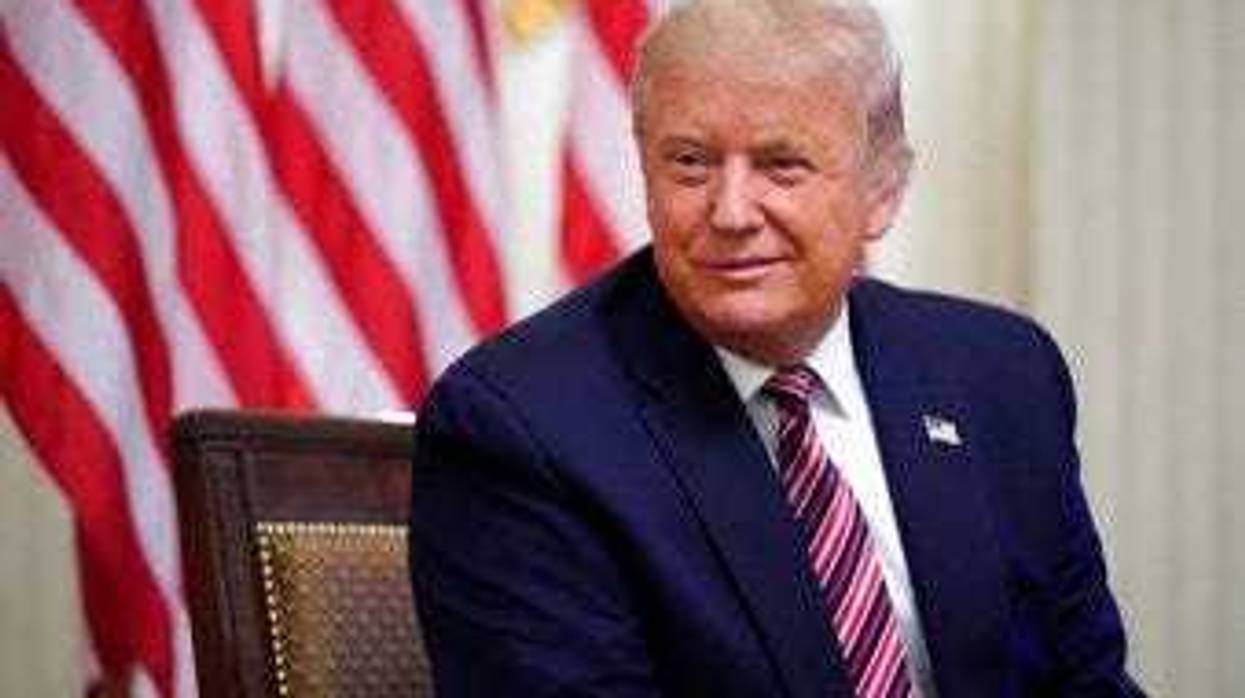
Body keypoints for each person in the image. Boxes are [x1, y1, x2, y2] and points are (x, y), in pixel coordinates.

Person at [409, 1, 1144, 696]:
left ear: (882, 190)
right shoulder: (524, 429)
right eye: (690, 164)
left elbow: (1084, 682)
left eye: (780, 165)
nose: (729, 213)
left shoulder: (997, 375)